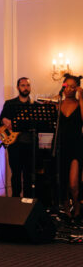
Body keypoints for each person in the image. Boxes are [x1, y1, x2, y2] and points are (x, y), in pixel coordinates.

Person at [0, 77, 34, 197]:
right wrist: (4, 119)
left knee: (28, 175)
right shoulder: (10, 104)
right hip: (14, 144)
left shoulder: (34, 105)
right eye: (23, 85)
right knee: (16, 174)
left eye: (27, 85)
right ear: (18, 87)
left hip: (29, 144)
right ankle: (15, 201)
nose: (25, 88)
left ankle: (28, 202)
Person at [55, 74, 82, 226]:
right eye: (67, 86)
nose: (70, 89)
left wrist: (82, 96)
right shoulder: (57, 104)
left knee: (73, 184)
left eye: (73, 86)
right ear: (63, 86)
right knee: (62, 181)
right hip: (61, 146)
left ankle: (77, 209)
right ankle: (66, 210)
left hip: (76, 146)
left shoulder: (80, 103)